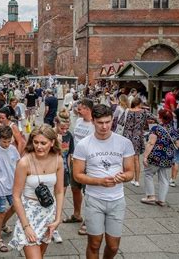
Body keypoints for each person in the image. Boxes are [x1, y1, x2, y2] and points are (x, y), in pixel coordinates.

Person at [73, 104, 135, 259]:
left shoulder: (124, 143)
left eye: (108, 122)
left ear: (112, 120)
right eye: (100, 123)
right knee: (94, 243)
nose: (105, 126)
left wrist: (124, 177)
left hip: (117, 200)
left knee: (113, 246)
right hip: (94, 199)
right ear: (93, 121)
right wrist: (99, 181)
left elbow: (130, 172)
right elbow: (77, 175)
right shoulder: (83, 145)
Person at [9, 125, 64, 258]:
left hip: (48, 213)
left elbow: (59, 191)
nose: (39, 146)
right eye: (36, 142)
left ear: (52, 143)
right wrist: (26, 226)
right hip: (28, 214)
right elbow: (16, 196)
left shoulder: (58, 160)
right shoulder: (24, 162)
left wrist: (57, 219)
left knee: (41, 254)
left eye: (43, 143)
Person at [63, 98, 95, 235]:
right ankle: (77, 215)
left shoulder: (94, 124)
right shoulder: (78, 121)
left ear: (87, 109)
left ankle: (89, 221)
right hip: (75, 160)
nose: (77, 110)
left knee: (88, 192)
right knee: (75, 188)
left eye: (80, 108)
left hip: (88, 163)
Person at [141, 109, 179, 206]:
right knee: (164, 178)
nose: (158, 117)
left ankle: (151, 196)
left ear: (161, 118)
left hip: (156, 156)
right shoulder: (173, 130)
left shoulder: (156, 128)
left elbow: (151, 143)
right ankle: (162, 199)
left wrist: (145, 156)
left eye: (159, 116)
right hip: (168, 158)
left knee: (148, 174)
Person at [122, 97, 156, 187]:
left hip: (126, 136)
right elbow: (155, 118)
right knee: (136, 159)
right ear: (140, 103)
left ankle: (123, 176)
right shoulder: (144, 112)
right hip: (137, 136)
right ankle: (136, 180)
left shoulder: (127, 111)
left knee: (124, 157)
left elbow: (121, 122)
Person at [52, 108, 74, 244]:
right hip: (49, 172)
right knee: (48, 201)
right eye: (62, 128)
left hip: (63, 172)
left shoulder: (69, 136)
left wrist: (69, 172)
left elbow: (69, 155)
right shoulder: (49, 135)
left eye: (67, 128)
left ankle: (55, 229)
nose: (64, 131)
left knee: (59, 202)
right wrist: (57, 143)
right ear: (56, 124)